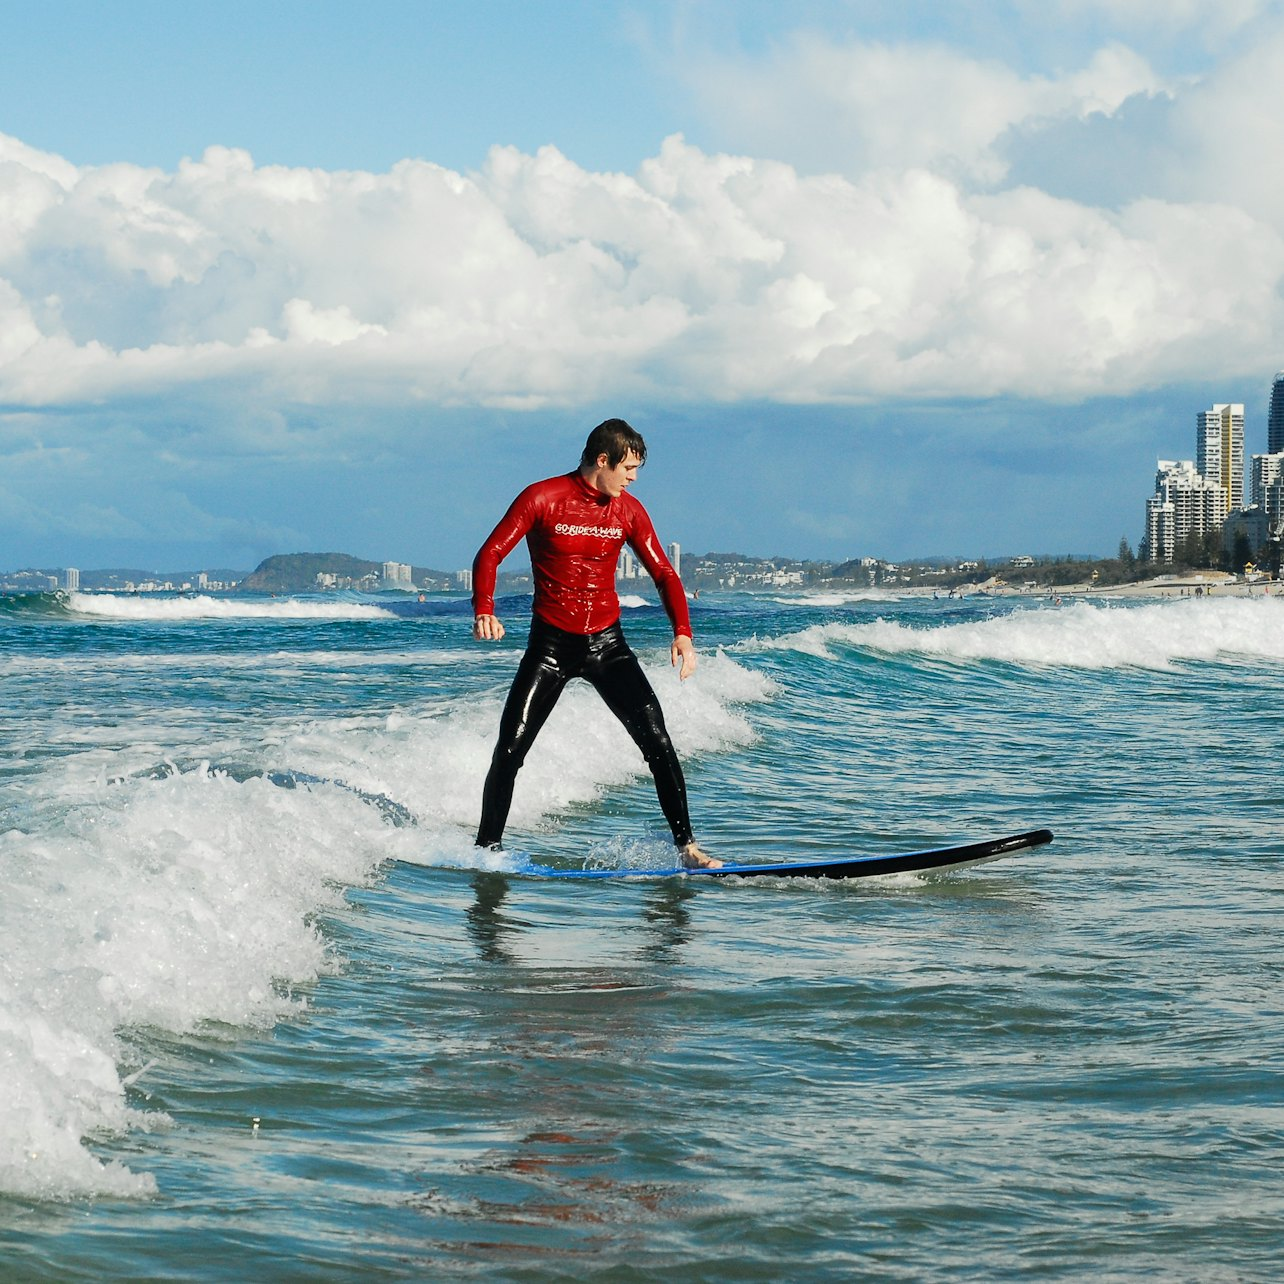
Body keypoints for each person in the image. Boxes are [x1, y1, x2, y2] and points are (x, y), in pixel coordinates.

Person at [471, 418, 720, 868]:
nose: (633, 478)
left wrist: (683, 632)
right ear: (601, 461)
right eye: (628, 467)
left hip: (607, 646)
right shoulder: (542, 498)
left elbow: (663, 572)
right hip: (550, 646)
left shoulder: (628, 510)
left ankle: (687, 847)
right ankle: (485, 852)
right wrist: (484, 607)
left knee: (657, 740)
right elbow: (490, 552)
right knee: (510, 749)